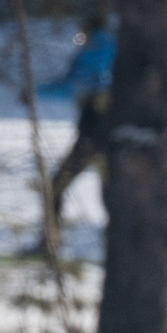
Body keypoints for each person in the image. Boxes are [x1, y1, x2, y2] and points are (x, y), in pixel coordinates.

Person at [35, 14, 114, 256]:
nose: (79, 40)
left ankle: (49, 243)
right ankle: (119, 249)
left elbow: (71, 86)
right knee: (112, 195)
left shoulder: (93, 53)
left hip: (92, 135)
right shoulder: (116, 49)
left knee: (56, 186)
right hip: (111, 137)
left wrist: (34, 91)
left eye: (81, 36)